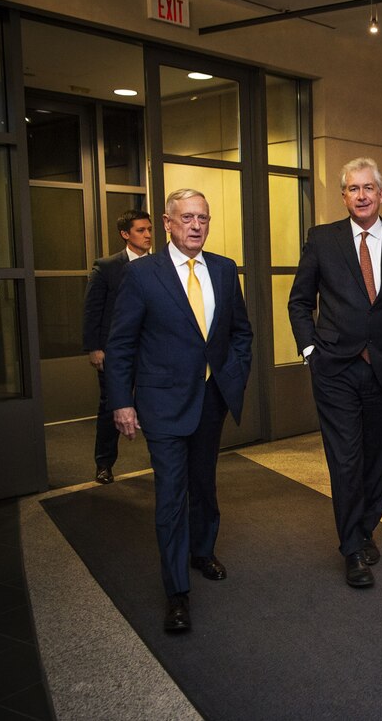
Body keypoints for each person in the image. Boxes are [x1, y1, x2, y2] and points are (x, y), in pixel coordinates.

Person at [105, 188, 253, 632]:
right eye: (186, 218)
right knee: (171, 494)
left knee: (204, 484)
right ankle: (176, 592)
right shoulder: (143, 274)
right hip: (162, 403)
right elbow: (121, 344)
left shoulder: (225, 271)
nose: (196, 225)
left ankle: (202, 551)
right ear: (168, 224)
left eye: (202, 218)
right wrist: (121, 401)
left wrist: (233, 375)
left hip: (211, 401)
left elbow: (241, 332)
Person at [288, 157, 382, 588]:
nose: (361, 195)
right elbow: (299, 301)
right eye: (353, 189)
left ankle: (366, 527)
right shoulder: (322, 240)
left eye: (368, 188)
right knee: (345, 460)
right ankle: (352, 548)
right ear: (343, 195)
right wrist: (311, 349)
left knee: (379, 461)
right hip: (336, 369)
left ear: (381, 195)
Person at [82, 209, 153, 484]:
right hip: (115, 351)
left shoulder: (161, 264)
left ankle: (161, 460)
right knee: (112, 405)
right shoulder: (107, 267)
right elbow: (92, 311)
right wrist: (94, 348)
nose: (147, 235)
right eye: (140, 230)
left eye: (149, 229)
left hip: (150, 350)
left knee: (154, 405)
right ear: (125, 234)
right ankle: (104, 463)